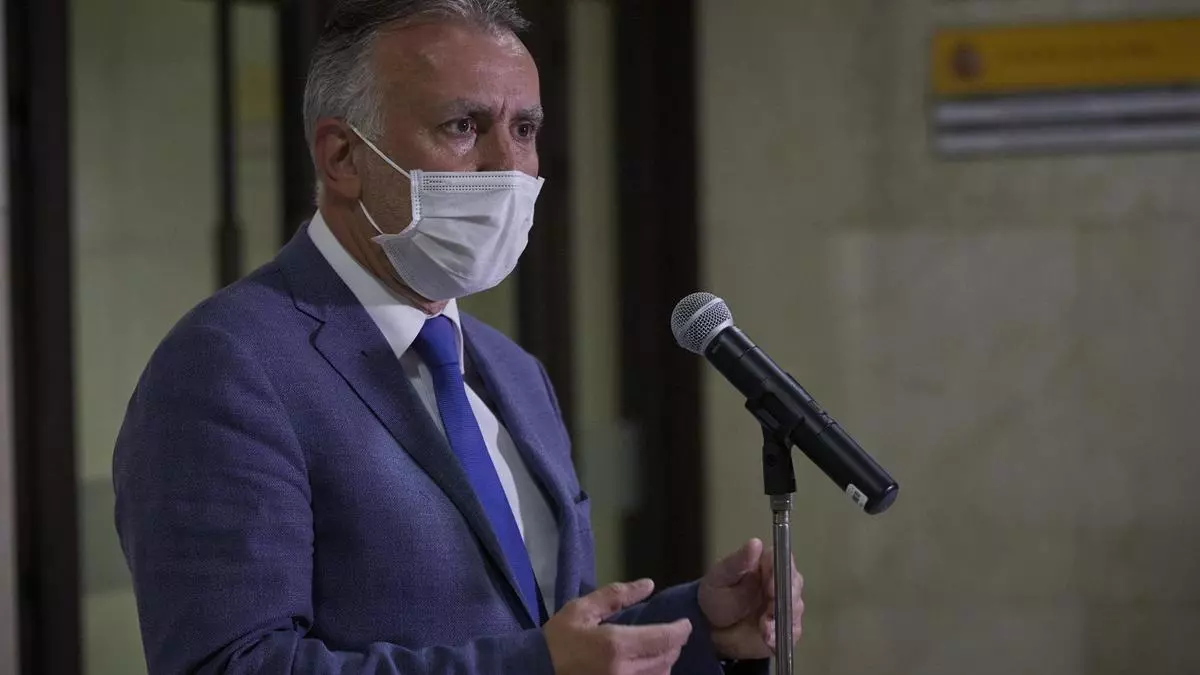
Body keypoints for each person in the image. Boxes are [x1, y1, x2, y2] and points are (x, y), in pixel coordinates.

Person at [113, 1, 804, 673]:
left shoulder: (515, 372)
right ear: (343, 157)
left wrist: (699, 629)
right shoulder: (226, 367)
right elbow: (234, 662)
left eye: (525, 128)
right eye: (464, 125)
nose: (508, 165)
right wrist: (535, 665)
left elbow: (549, 633)